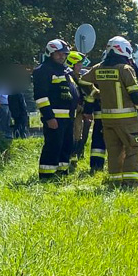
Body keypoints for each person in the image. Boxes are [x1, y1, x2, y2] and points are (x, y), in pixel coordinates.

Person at [80, 37, 138, 186]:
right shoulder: (125, 69)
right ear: (124, 50)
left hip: (107, 119)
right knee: (135, 147)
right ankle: (130, 182)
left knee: (114, 149)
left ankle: (115, 182)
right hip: (127, 119)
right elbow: (135, 94)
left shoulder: (98, 68)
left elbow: (83, 81)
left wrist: (95, 93)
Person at [33, 39, 80, 179]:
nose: (62, 57)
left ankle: (62, 173)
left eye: (64, 54)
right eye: (59, 54)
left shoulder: (65, 70)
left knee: (66, 145)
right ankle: (46, 176)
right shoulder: (43, 70)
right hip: (55, 117)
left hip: (68, 117)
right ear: (50, 53)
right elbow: (41, 97)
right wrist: (49, 117)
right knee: (53, 145)